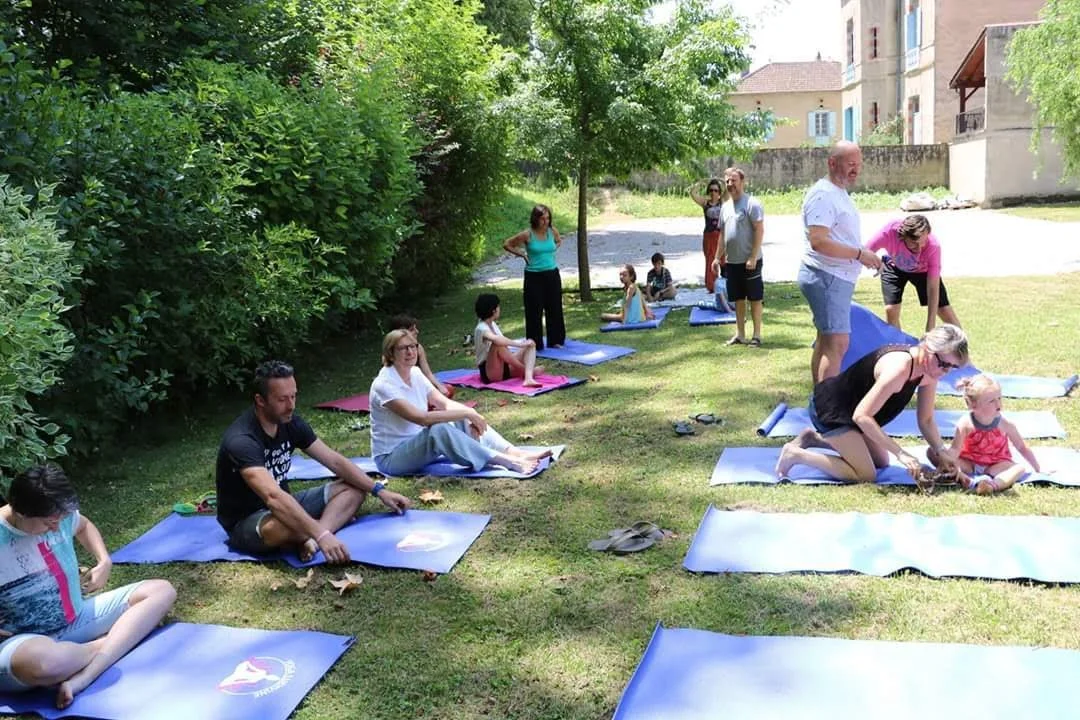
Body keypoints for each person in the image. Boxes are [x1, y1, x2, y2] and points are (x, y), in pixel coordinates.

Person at [0, 465, 176, 709]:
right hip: (23, 644)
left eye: (59, 520)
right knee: (44, 664)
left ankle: (83, 675)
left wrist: (104, 561)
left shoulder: (57, 514)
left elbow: (82, 525)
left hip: (76, 618)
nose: (56, 527)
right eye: (48, 523)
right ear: (20, 511)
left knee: (160, 590)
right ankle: (110, 642)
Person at [216, 360, 411, 565]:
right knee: (284, 526)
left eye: (293, 396)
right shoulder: (241, 440)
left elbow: (334, 461)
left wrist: (379, 491)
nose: (291, 405)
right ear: (260, 400)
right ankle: (317, 531)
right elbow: (272, 497)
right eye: (282, 399)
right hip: (248, 521)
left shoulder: (291, 423)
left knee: (354, 489)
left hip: (286, 504)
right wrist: (323, 535)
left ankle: (310, 539)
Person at [775, 324, 969, 484]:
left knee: (881, 462)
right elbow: (862, 416)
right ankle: (795, 454)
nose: (945, 371)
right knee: (866, 475)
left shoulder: (930, 370)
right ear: (928, 347)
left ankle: (813, 438)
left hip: (853, 414)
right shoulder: (900, 368)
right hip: (832, 410)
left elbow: (926, 420)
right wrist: (900, 453)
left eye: (952, 367)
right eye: (943, 363)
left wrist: (941, 451)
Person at [370, 329, 553, 475]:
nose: (411, 352)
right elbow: (422, 419)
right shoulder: (384, 385)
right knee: (440, 429)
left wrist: (471, 415)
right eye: (403, 348)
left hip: (417, 445)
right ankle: (506, 461)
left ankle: (514, 452)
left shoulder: (415, 374)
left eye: (413, 346)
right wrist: (467, 413)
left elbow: (444, 403)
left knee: (458, 415)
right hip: (391, 459)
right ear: (391, 354)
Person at [798, 141, 883, 383]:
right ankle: (828, 409)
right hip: (826, 277)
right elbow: (819, 241)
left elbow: (838, 236)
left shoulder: (838, 191)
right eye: (851, 164)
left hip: (834, 277)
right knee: (837, 344)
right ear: (832, 163)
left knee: (827, 341)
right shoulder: (823, 195)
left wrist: (864, 253)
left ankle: (821, 402)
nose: (856, 169)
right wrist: (859, 255)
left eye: (859, 164)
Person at [866, 214, 962, 333]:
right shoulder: (890, 231)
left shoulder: (933, 246)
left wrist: (930, 326)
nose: (920, 248)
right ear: (903, 236)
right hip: (894, 267)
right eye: (915, 243)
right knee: (891, 310)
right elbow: (865, 251)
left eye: (923, 242)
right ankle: (899, 347)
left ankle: (962, 348)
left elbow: (933, 287)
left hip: (923, 272)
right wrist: (876, 262)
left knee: (943, 310)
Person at [950, 374, 1039, 495]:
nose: (998, 404)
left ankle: (992, 485)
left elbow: (1022, 447)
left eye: (999, 398)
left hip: (996, 465)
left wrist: (1038, 468)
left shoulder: (1005, 424)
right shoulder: (965, 423)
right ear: (973, 405)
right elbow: (955, 450)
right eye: (992, 401)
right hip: (968, 463)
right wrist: (956, 468)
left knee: (1019, 468)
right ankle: (962, 477)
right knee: (936, 454)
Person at [712, 167, 766, 346]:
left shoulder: (752, 204)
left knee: (755, 298)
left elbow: (759, 230)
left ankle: (756, 335)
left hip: (751, 261)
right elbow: (722, 234)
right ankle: (740, 334)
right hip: (732, 262)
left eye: (733, 180)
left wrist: (752, 256)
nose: (730, 184)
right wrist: (716, 257)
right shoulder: (725, 207)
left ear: (742, 182)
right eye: (727, 181)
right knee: (738, 299)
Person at [502, 204, 566, 350]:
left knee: (554, 307)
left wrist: (552, 251)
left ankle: (556, 340)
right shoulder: (527, 234)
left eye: (548, 218)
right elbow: (507, 244)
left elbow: (558, 241)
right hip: (534, 276)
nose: (546, 222)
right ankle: (535, 343)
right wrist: (523, 255)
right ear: (535, 219)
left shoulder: (552, 231)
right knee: (534, 310)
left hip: (552, 274)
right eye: (542, 219)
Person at [473, 293, 543, 387]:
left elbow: (505, 346)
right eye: (498, 307)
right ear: (493, 310)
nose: (499, 309)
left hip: (503, 366)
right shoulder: (481, 328)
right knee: (497, 344)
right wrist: (519, 345)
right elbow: (497, 340)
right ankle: (526, 370)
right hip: (489, 372)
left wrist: (524, 344)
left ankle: (528, 377)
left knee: (530, 344)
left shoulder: (492, 324)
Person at [389, 313, 454, 398]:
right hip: (401, 391)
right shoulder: (391, 353)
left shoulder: (418, 348)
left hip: (418, 386)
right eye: (412, 329)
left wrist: (439, 386)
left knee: (448, 389)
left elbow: (427, 373)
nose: (417, 331)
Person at [689, 178, 729, 292]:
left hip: (721, 235)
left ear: (719, 192)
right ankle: (712, 286)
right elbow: (692, 194)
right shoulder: (705, 203)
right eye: (711, 190)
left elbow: (728, 189)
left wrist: (721, 180)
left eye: (716, 190)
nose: (713, 193)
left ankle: (726, 284)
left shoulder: (723, 201)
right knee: (710, 261)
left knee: (724, 260)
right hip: (709, 236)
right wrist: (700, 183)